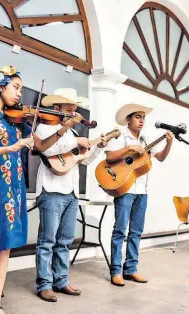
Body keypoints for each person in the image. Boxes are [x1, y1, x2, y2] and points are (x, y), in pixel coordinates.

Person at [0, 66, 70, 314]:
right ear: (1, 87)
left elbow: (41, 147)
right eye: (16, 87)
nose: (20, 93)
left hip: (14, 190)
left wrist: (62, 129)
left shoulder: (19, 122)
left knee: (6, 246)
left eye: (21, 89)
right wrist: (10, 147)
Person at [35, 88, 108, 302]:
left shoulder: (74, 133)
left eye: (75, 110)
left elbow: (83, 160)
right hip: (51, 189)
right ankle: (44, 285)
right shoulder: (43, 127)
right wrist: (76, 142)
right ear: (56, 109)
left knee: (65, 240)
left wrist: (98, 147)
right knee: (47, 241)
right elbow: (48, 150)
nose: (74, 114)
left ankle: (61, 280)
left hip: (72, 191)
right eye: (69, 110)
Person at [105, 104, 174, 287]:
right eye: (138, 117)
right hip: (125, 189)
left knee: (136, 231)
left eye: (144, 117)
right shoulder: (121, 136)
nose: (142, 120)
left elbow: (160, 157)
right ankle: (116, 271)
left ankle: (131, 270)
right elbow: (110, 157)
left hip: (142, 190)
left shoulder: (146, 139)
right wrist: (129, 150)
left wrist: (168, 143)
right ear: (128, 119)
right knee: (120, 230)